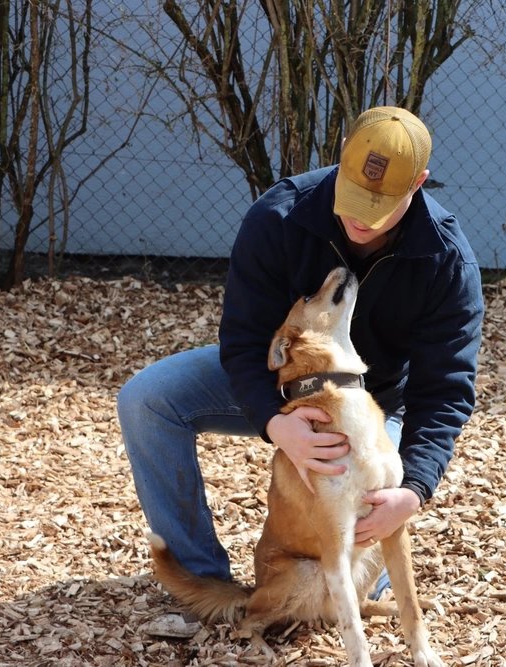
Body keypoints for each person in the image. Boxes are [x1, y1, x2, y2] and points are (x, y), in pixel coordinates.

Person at [117, 106, 485, 595]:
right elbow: (245, 342)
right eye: (353, 195)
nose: (358, 216)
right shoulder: (280, 216)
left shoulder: (446, 261)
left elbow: (444, 393)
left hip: (369, 405)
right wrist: (276, 422)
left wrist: (413, 491)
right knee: (146, 400)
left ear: (419, 183)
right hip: (280, 383)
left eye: (378, 205)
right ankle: (201, 579)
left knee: (358, 585)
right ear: (341, 158)